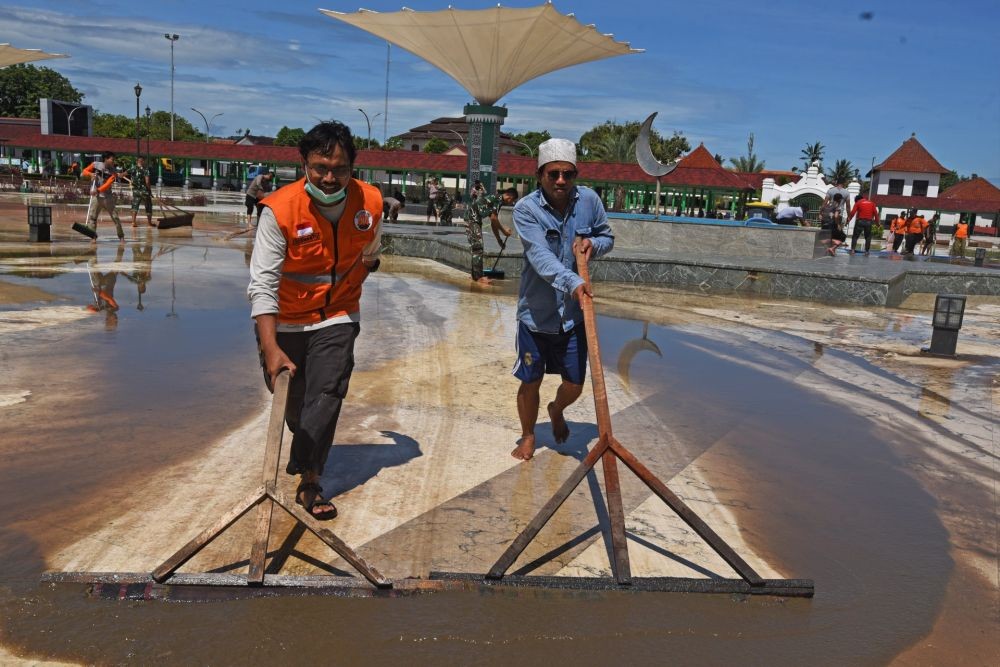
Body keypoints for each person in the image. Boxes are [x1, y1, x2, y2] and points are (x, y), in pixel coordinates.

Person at [247, 121, 382, 520]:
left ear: (353, 166)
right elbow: (262, 284)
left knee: (327, 393)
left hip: (338, 315)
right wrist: (270, 347)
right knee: (296, 409)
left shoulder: (369, 201)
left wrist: (370, 263)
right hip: (285, 322)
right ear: (304, 162)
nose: (328, 177)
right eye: (320, 166)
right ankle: (305, 449)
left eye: (339, 168)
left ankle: (309, 478)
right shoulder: (279, 210)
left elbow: (371, 247)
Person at [510, 138, 614, 461]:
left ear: (574, 175)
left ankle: (556, 409)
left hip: (573, 315)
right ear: (539, 174)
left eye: (568, 175)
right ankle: (528, 434)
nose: (561, 181)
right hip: (536, 315)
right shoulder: (526, 210)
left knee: (574, 384)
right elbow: (540, 258)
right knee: (531, 380)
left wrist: (594, 246)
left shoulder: (590, 202)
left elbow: (607, 235)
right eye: (553, 174)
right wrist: (573, 281)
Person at [465, 187, 518, 285]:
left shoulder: (496, 200)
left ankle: (475, 275)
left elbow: (493, 223)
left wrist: (499, 240)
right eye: (513, 201)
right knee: (478, 248)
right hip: (472, 220)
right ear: (510, 197)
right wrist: (504, 231)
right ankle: (478, 277)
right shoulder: (497, 200)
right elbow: (494, 219)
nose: (511, 204)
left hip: (474, 220)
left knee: (476, 247)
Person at [79, 152, 124, 241]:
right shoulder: (95, 165)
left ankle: (121, 236)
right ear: (106, 159)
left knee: (115, 217)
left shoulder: (113, 171)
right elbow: (84, 172)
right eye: (112, 159)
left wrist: (98, 190)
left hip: (108, 197)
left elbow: (108, 184)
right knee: (93, 217)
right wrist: (90, 175)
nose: (113, 161)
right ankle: (93, 236)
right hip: (96, 197)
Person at [128, 156, 154, 227]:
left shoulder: (133, 168)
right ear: (143, 161)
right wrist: (149, 190)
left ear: (137, 161)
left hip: (136, 191)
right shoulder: (145, 170)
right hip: (144, 191)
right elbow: (147, 181)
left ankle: (133, 222)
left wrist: (119, 175)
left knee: (134, 206)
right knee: (148, 205)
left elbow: (123, 174)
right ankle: (149, 223)